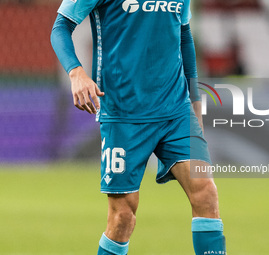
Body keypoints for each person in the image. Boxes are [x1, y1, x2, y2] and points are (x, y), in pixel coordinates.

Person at [51, 0, 226, 254]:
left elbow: (184, 35)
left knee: (206, 193)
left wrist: (195, 100)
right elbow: (60, 27)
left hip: (175, 109)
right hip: (124, 113)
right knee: (122, 217)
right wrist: (76, 72)